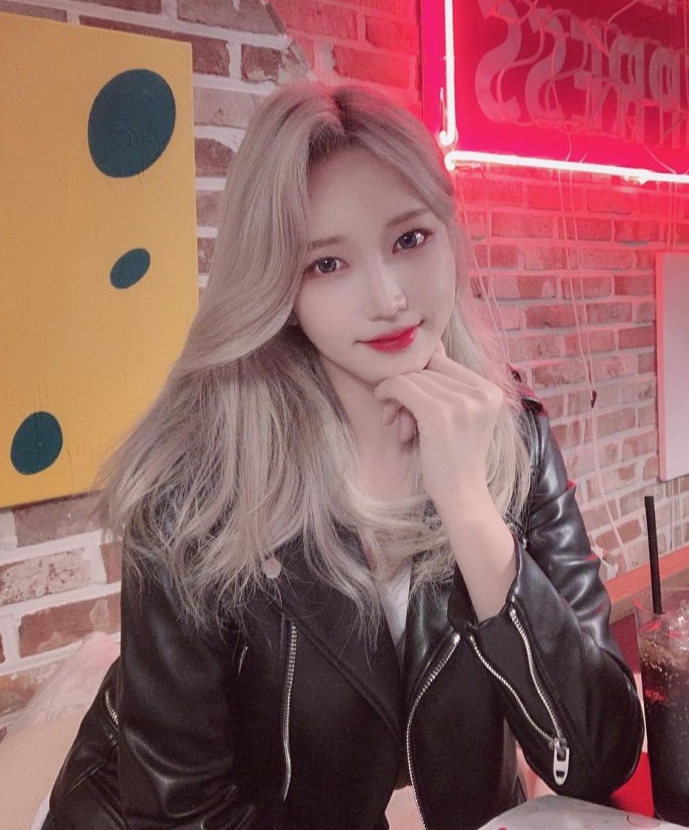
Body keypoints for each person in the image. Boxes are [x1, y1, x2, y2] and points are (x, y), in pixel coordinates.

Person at [45, 82, 643, 830]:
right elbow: (181, 815)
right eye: (328, 264)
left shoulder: (512, 438)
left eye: (410, 240)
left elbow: (596, 761)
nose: (388, 298)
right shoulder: (194, 493)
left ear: (449, 236)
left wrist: (469, 508)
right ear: (279, 286)